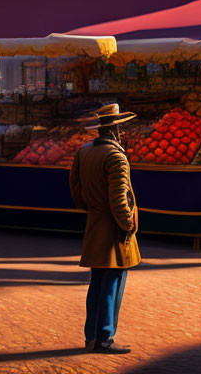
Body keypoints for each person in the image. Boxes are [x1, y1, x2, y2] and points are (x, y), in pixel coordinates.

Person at [69, 103, 140, 355]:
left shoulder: (84, 151)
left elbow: (75, 190)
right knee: (112, 284)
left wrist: (90, 209)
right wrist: (128, 225)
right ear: (115, 130)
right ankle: (104, 337)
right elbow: (119, 199)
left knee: (97, 283)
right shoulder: (115, 156)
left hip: (94, 225)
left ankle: (92, 336)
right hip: (113, 230)